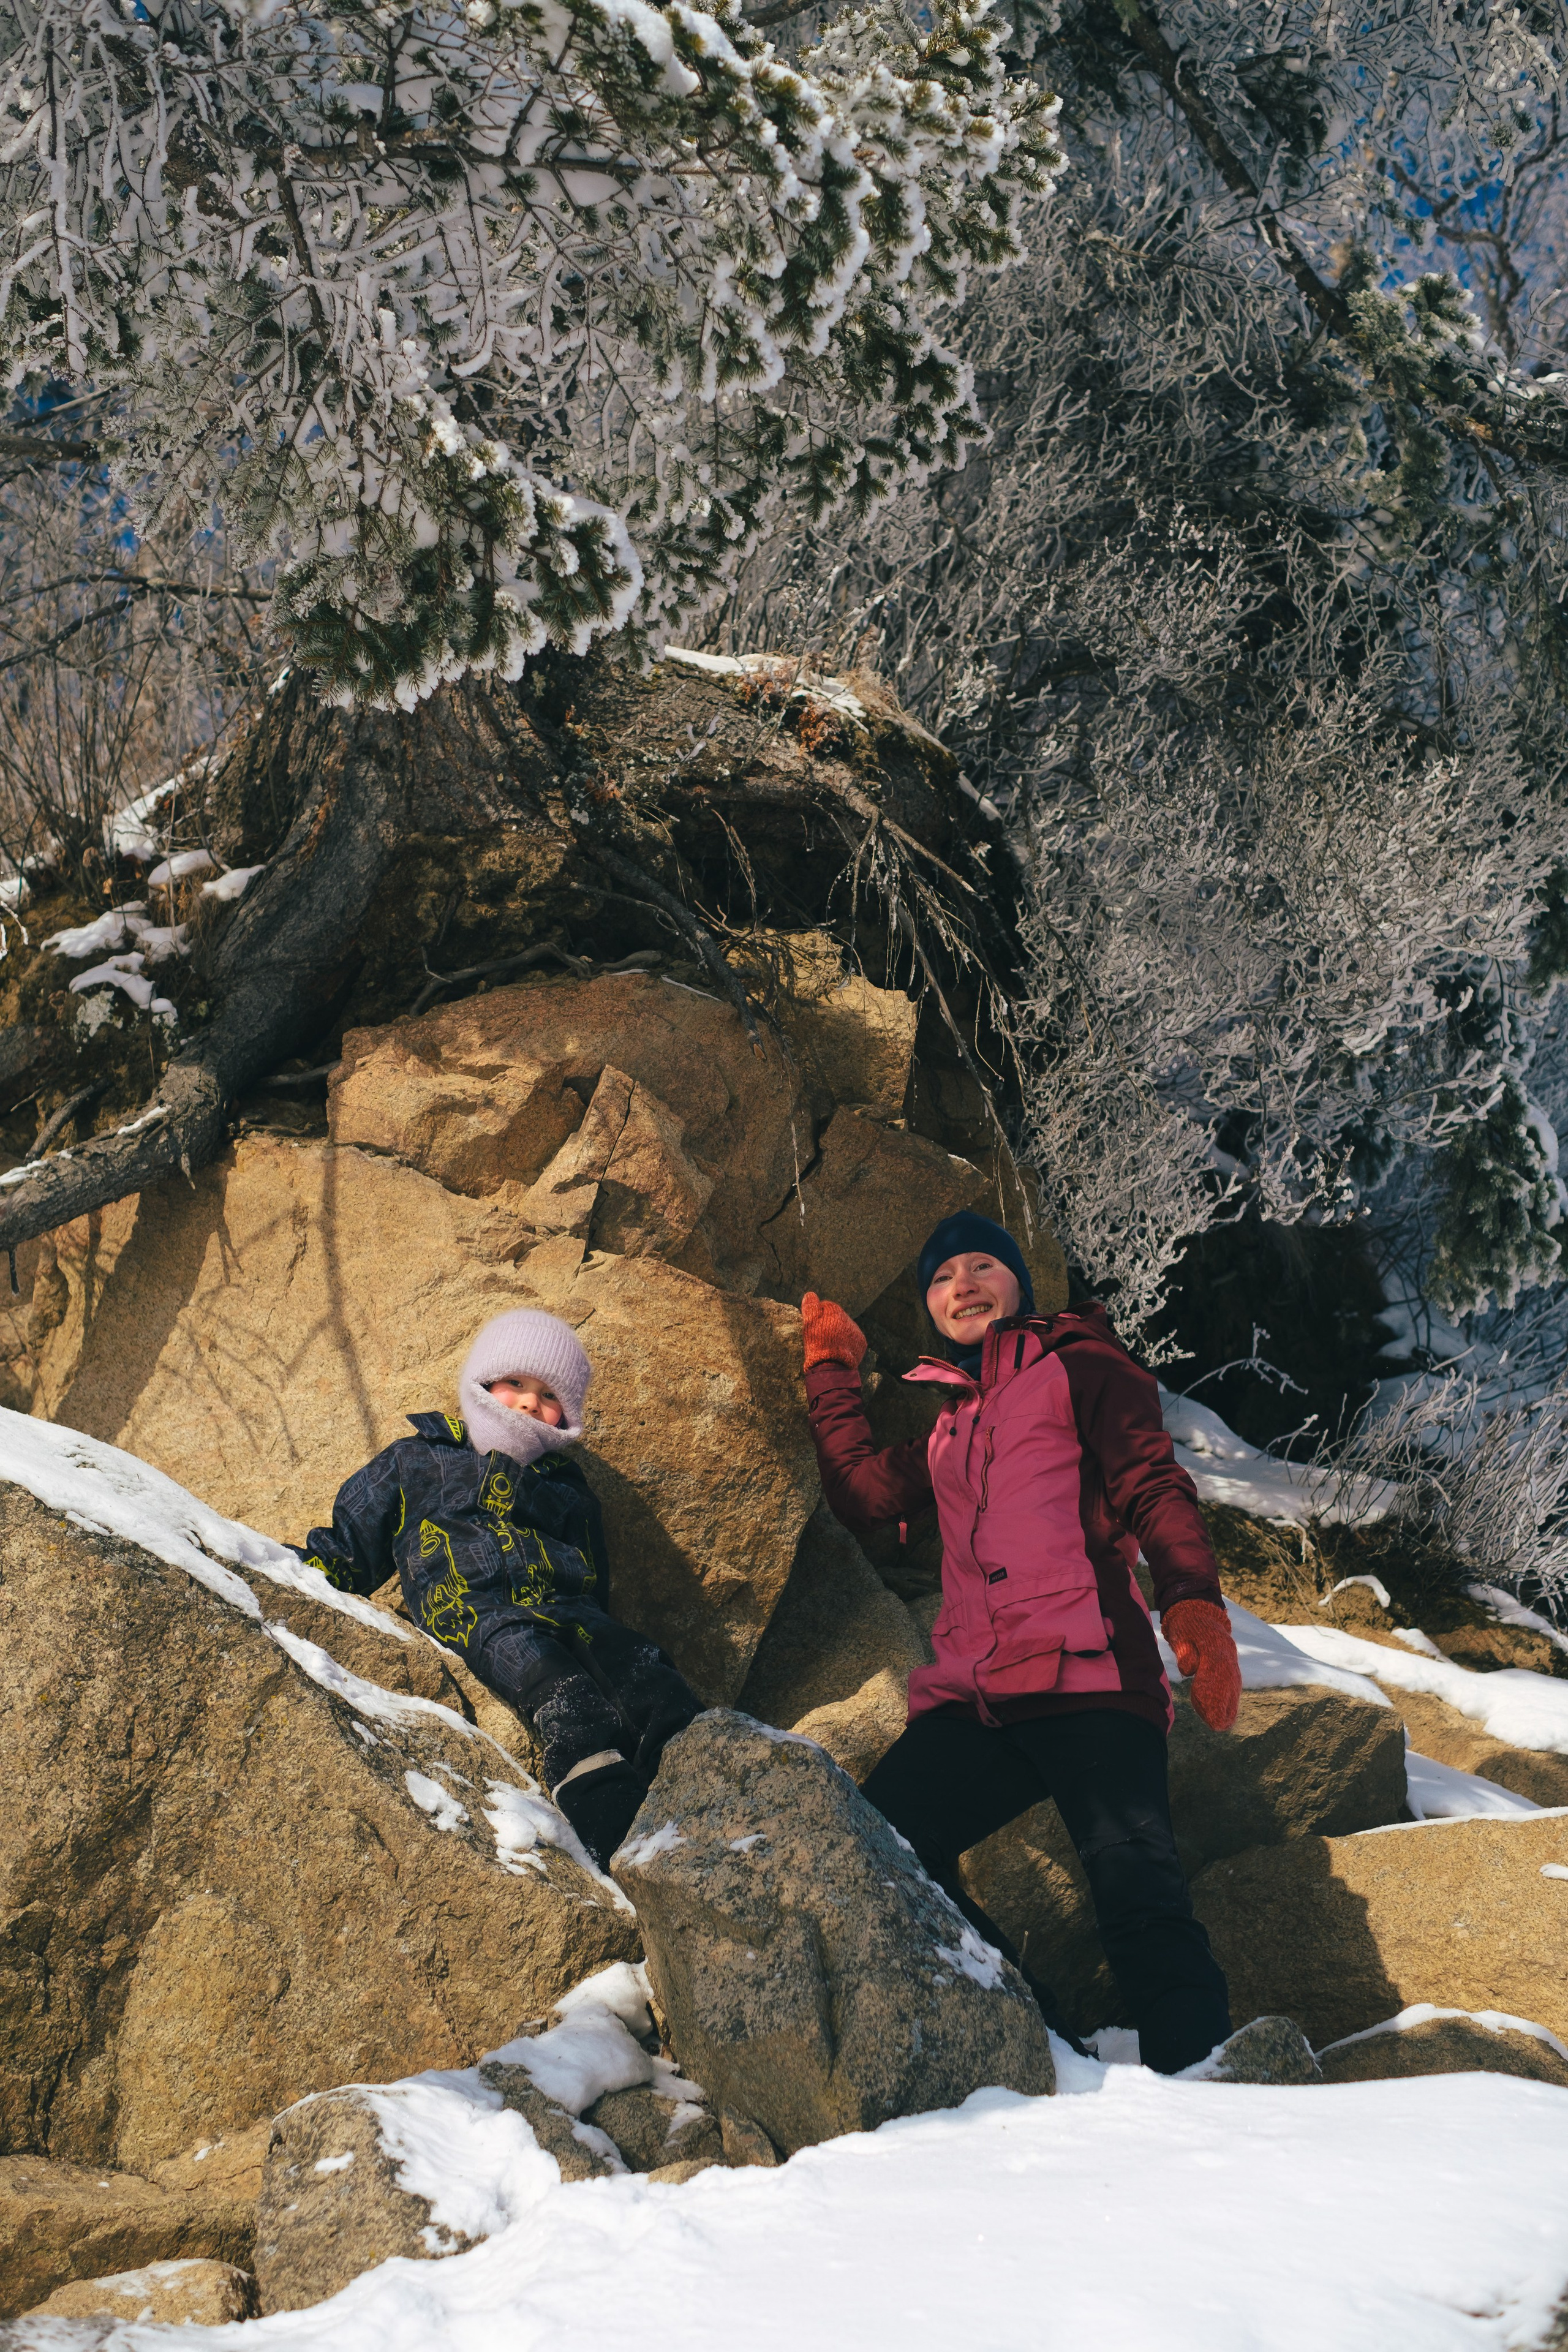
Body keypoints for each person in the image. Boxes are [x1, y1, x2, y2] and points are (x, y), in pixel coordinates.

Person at [800, 1209, 1243, 2073]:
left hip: (1091, 1685)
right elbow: (862, 1493)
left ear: (1019, 1283)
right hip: (981, 1699)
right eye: (939, 1277)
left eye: (980, 1266)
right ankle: (1045, 2047)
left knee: (1141, 1906)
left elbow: (1152, 1481)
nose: (960, 1284)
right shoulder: (949, 1425)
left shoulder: (1082, 1365)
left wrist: (1192, 1603)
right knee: (881, 1847)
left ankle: (1206, 2107)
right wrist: (830, 1369)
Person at [295, 1306, 701, 1868]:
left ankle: (707, 1796)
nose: (531, 1402)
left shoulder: (568, 1488)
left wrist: (607, 1647)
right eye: (515, 1383)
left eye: (548, 1394)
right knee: (572, 1706)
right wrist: (302, 1570)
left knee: (647, 1671)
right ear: (484, 1382)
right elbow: (350, 1545)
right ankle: (628, 1850)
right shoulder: (420, 1457)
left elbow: (592, 1578)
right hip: (478, 1612)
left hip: (570, 1610)